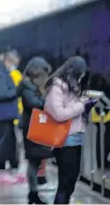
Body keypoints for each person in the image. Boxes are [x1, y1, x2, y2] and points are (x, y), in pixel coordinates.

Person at [44, 56, 94, 204]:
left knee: (71, 179)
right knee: (66, 181)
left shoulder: (72, 87)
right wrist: (81, 106)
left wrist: (86, 105)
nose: (80, 79)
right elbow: (59, 114)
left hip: (75, 137)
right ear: (72, 72)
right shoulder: (57, 87)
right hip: (65, 139)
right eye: (79, 75)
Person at [17, 57, 52, 204]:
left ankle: (33, 193)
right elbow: (36, 104)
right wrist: (46, 95)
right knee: (33, 161)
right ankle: (33, 194)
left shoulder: (30, 86)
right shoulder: (27, 87)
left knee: (36, 161)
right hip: (31, 128)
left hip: (35, 126)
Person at [0, 49, 21, 170]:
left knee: (10, 140)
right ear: (8, 60)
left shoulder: (1, 72)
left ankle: (12, 162)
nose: (15, 66)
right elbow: (1, 94)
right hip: (2, 114)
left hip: (6, 114)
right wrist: (18, 90)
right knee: (4, 141)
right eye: (14, 63)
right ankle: (0, 164)